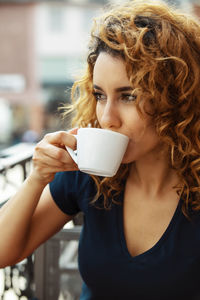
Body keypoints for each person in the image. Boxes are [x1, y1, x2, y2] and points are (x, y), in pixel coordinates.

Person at [1, 0, 200, 299]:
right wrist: (37, 178)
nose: (107, 118)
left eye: (128, 96)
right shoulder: (89, 175)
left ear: (176, 97)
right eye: (99, 95)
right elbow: (4, 253)